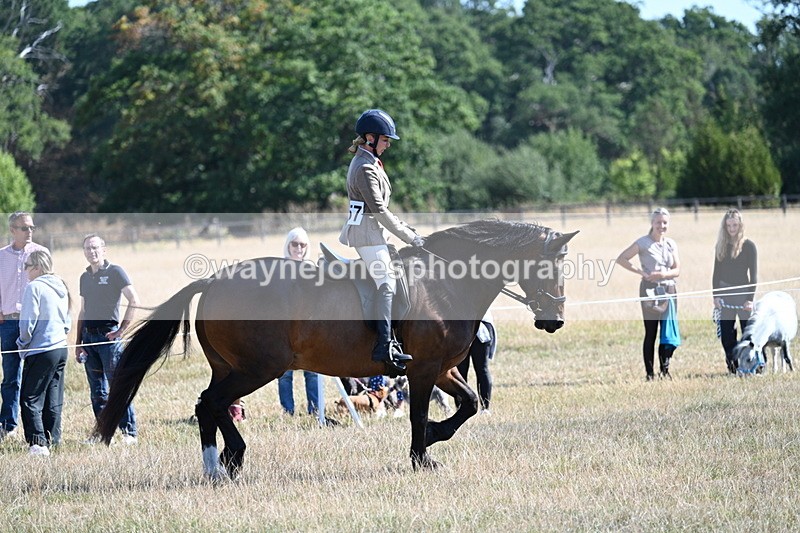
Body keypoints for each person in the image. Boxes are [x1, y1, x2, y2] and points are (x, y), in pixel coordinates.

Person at [338, 109, 425, 376]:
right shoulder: (364, 166)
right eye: (386, 140)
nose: (388, 145)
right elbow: (379, 211)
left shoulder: (371, 161)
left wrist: (406, 229)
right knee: (386, 281)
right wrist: (409, 237)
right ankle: (384, 346)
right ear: (370, 138)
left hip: (373, 232)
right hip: (367, 233)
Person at [228, 228, 323, 420]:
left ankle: (315, 411)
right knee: (285, 375)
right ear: (287, 245)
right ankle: (288, 412)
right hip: (284, 332)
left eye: (303, 245)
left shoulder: (312, 270)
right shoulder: (279, 269)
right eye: (294, 244)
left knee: (313, 373)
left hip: (308, 331)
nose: (299, 248)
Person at [75, 234, 140, 444]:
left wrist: (121, 331)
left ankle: (129, 432)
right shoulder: (84, 277)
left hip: (108, 338)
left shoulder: (115, 272)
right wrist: (78, 342)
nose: (91, 252)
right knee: (97, 391)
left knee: (117, 386)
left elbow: (134, 300)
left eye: (95, 248)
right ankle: (103, 432)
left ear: (104, 249)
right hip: (89, 339)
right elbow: (83, 312)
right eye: (87, 248)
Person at [616, 207, 681, 381]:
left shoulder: (671, 244)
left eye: (665, 222)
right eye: (658, 222)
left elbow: (677, 270)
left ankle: (665, 370)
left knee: (667, 330)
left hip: (669, 290)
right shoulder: (643, 243)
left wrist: (663, 275)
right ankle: (650, 373)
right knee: (651, 332)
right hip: (650, 291)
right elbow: (621, 258)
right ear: (652, 223)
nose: (662, 226)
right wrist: (641, 272)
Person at [0, 212, 49, 440]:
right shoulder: (1, 257)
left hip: (36, 323)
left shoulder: (41, 253)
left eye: (31, 227)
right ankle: (7, 425)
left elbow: (49, 285)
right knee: (11, 377)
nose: (29, 232)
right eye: (24, 228)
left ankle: (39, 425)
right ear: (12, 230)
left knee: (37, 375)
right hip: (8, 322)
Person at [17, 250, 71, 456]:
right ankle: (53, 439)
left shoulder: (34, 287)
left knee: (30, 397)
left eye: (27, 266)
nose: (25, 271)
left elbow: (28, 322)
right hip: (60, 348)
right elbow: (67, 318)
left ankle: (38, 443)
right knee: (53, 397)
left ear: (38, 267)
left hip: (41, 349)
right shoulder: (61, 285)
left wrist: (22, 342)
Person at [712, 209, 757, 374]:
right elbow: (716, 274)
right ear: (725, 226)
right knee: (726, 335)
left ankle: (751, 365)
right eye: (729, 225)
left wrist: (749, 299)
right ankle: (733, 366)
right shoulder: (721, 246)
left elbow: (754, 275)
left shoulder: (749, 246)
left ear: (740, 225)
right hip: (725, 295)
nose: (732, 228)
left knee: (748, 333)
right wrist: (715, 295)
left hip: (743, 294)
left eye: (735, 225)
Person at [456, 311, 496, 413]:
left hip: (479, 325)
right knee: (461, 371)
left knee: (481, 368)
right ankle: (461, 407)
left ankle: (485, 407)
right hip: (461, 325)